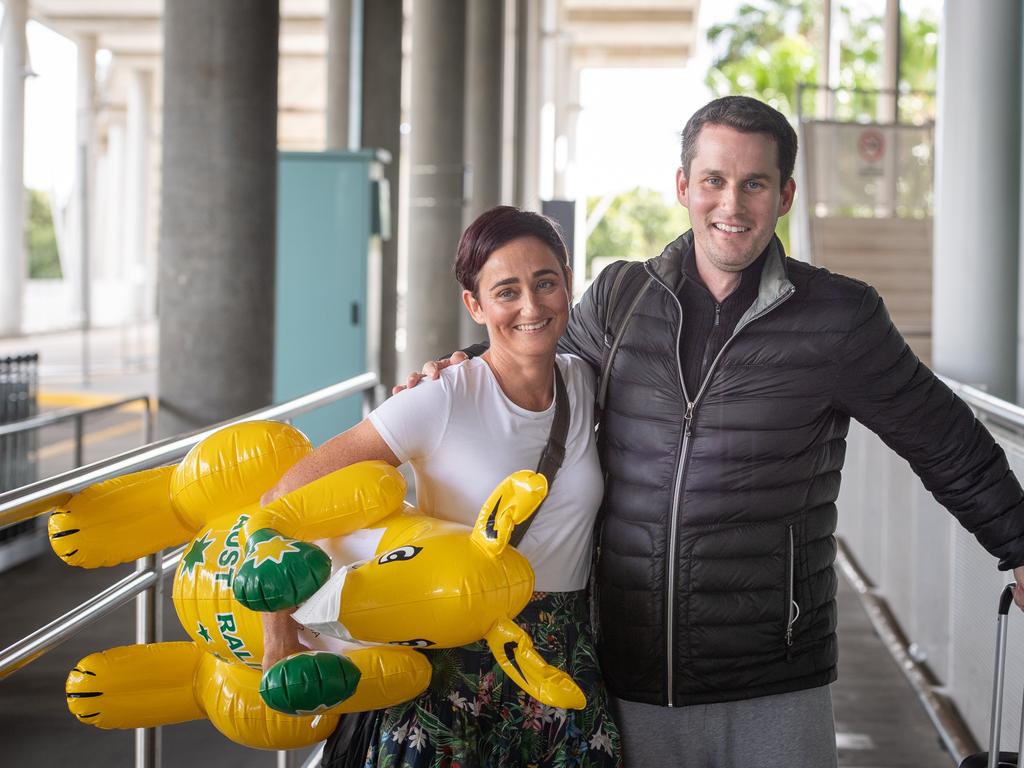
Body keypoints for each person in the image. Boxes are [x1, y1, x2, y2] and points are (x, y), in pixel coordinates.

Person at [409, 95, 1024, 768]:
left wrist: (1018, 542)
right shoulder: (621, 297)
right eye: (714, 181)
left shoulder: (839, 319)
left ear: (785, 194)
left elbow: (942, 437)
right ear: (683, 186)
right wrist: (456, 370)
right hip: (632, 671)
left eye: (754, 183)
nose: (732, 204)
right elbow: (529, 371)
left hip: (774, 677)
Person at [261, 206, 622, 768]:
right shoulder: (441, 397)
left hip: (560, 664)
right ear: (474, 305)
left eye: (545, 282)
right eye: (506, 291)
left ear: (568, 285)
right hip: (445, 670)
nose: (531, 305)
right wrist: (278, 640)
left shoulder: (587, 382)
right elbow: (283, 499)